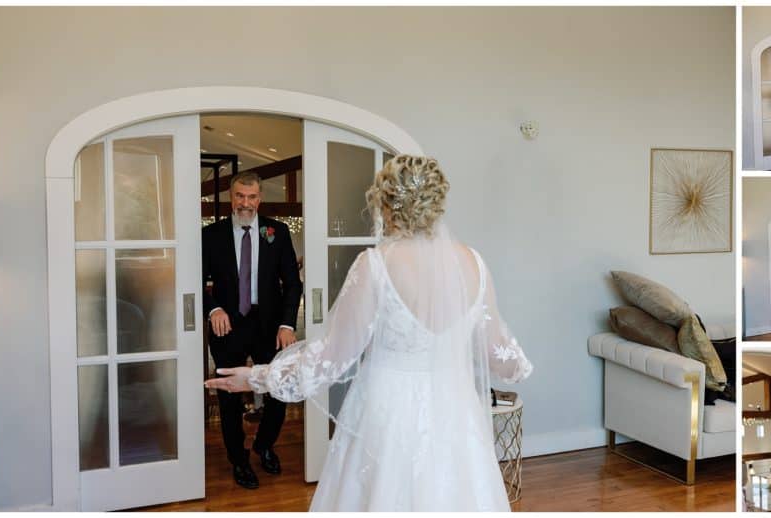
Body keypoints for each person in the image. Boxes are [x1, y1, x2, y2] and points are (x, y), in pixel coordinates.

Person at [206, 155, 533, 511]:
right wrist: (519, 366)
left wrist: (258, 377)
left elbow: (332, 357)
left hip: (388, 415)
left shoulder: (376, 264)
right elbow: (504, 357)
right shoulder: (473, 263)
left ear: (386, 203)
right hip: (455, 415)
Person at [202, 171, 302, 489]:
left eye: (252, 197)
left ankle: (264, 445)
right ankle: (239, 459)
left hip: (269, 325)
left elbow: (292, 283)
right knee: (229, 394)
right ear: (230, 197)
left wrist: (287, 324)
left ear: (260, 198)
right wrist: (213, 309)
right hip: (228, 324)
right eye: (240, 196)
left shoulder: (277, 231)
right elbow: (195, 282)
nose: (245, 203)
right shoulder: (210, 235)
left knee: (278, 387)